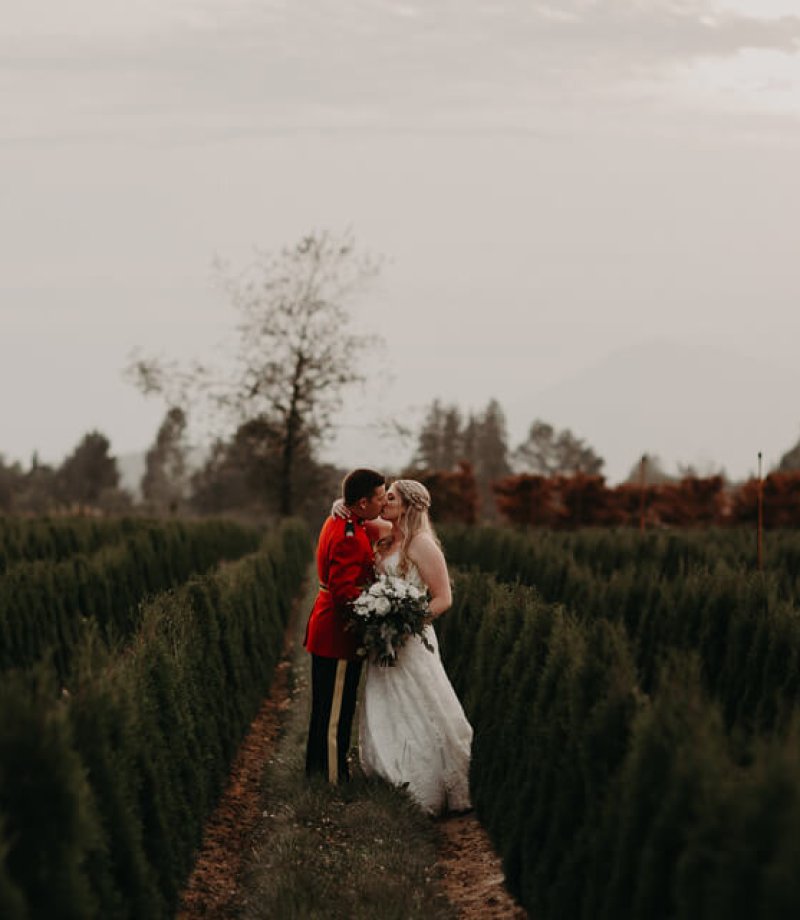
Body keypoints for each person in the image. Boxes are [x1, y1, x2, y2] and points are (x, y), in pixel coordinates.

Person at [335, 479, 473, 815]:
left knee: (420, 705)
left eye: (391, 497)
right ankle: (389, 776)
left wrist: (405, 626)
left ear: (408, 506)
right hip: (382, 639)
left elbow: (443, 598)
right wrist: (337, 505)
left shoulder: (422, 544)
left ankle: (426, 784)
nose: (384, 502)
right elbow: (357, 515)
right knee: (385, 703)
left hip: (410, 639)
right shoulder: (387, 531)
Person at [304, 468, 386, 783]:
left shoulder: (343, 520)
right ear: (363, 502)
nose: (383, 501)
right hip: (337, 636)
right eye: (380, 497)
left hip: (327, 630)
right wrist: (378, 608)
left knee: (327, 707)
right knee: (335, 713)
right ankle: (332, 779)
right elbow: (344, 593)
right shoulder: (349, 534)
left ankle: (317, 772)